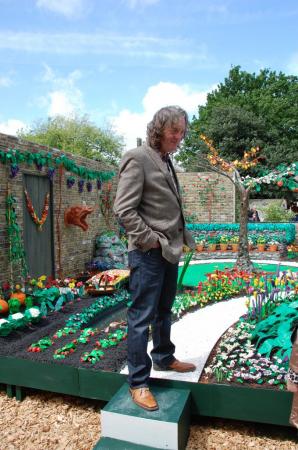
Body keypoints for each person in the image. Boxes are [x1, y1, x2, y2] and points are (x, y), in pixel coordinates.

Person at [113, 106, 196, 411]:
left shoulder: (165, 159)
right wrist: (153, 240)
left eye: (182, 132)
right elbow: (124, 210)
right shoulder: (138, 157)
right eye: (175, 131)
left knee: (164, 309)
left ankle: (163, 357)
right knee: (140, 318)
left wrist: (177, 239)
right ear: (159, 129)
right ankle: (138, 382)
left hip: (169, 251)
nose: (179, 137)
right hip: (149, 253)